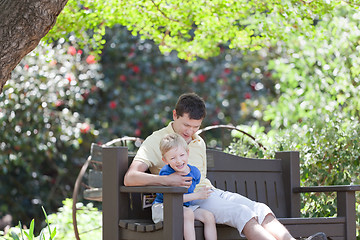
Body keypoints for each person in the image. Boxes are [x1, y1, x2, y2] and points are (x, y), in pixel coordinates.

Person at [124, 92, 327, 240]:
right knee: (242, 213)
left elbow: (202, 179)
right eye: (186, 125)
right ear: (175, 115)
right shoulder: (157, 140)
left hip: (209, 192)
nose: (190, 132)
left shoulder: (198, 141)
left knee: (261, 208)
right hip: (188, 200)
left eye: (196, 127)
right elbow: (130, 177)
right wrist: (166, 180)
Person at [152, 132, 216, 240]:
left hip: (184, 207)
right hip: (163, 207)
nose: (179, 161)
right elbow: (171, 199)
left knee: (208, 216)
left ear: (187, 153)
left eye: (182, 155)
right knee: (188, 213)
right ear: (165, 160)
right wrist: (197, 195)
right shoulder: (166, 174)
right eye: (172, 158)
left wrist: (203, 192)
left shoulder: (194, 172)